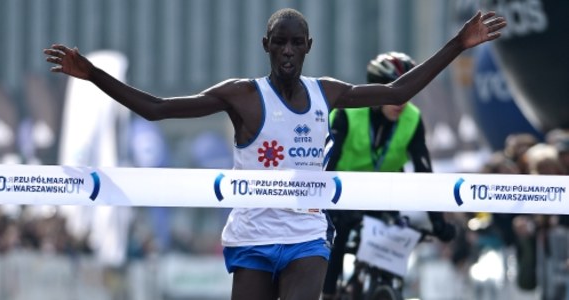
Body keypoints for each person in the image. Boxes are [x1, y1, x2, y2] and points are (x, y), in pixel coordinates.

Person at [43, 8, 506, 300]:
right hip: (251, 239)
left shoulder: (328, 92)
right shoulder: (242, 95)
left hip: (307, 235)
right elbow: (157, 109)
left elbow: (399, 88)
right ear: (266, 46)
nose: (287, 50)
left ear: (309, 47)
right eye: (279, 42)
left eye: (296, 42)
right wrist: (93, 74)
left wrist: (458, 45)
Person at [321, 52, 456, 299]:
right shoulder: (347, 114)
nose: (401, 101)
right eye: (395, 91)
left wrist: (437, 221)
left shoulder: (413, 118)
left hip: (385, 195)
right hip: (342, 194)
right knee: (337, 237)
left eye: (408, 91)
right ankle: (328, 294)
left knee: (396, 235)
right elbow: (327, 165)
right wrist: (324, 208)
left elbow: (423, 171)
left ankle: (387, 287)